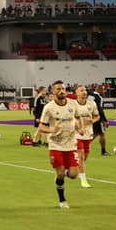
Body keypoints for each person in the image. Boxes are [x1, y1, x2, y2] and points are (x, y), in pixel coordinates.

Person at [35, 80, 80, 209]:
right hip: (56, 144)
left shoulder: (72, 104)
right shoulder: (49, 108)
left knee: (73, 175)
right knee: (60, 174)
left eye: (63, 89)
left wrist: (79, 127)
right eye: (58, 89)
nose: (61, 91)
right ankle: (62, 200)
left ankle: (64, 171)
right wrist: (51, 130)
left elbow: (77, 117)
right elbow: (41, 126)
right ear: (53, 91)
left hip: (71, 144)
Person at [73, 85, 97, 189]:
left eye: (85, 90)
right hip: (77, 133)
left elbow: (97, 116)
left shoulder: (92, 104)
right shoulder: (73, 105)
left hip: (88, 133)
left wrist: (93, 121)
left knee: (85, 156)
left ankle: (71, 166)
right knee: (81, 157)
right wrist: (78, 125)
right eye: (82, 90)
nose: (84, 92)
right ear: (77, 93)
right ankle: (83, 181)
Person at [90, 85, 110, 155]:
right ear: (99, 89)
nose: (103, 91)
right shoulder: (99, 97)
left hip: (90, 117)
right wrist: (105, 120)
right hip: (97, 118)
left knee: (95, 134)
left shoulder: (90, 96)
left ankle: (82, 146)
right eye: (103, 90)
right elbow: (100, 109)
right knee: (102, 134)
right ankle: (103, 151)